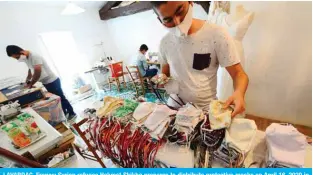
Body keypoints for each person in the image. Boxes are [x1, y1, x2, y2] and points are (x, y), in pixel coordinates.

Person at [151, 1, 249, 117]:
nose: (177, 22)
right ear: (160, 20)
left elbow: (238, 74)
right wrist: (160, 80)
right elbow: (165, 74)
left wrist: (239, 93)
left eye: (180, 11)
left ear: (190, 2)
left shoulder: (216, 34)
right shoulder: (164, 43)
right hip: (175, 109)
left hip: (204, 112)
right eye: (168, 20)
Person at [6, 45, 76, 120]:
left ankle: (72, 113)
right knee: (56, 99)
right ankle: (65, 113)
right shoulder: (26, 58)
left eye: (17, 57)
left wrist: (31, 84)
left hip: (52, 81)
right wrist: (27, 80)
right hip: (46, 82)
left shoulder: (34, 56)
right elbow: (30, 69)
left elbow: (37, 71)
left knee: (61, 98)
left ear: (21, 52)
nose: (17, 59)